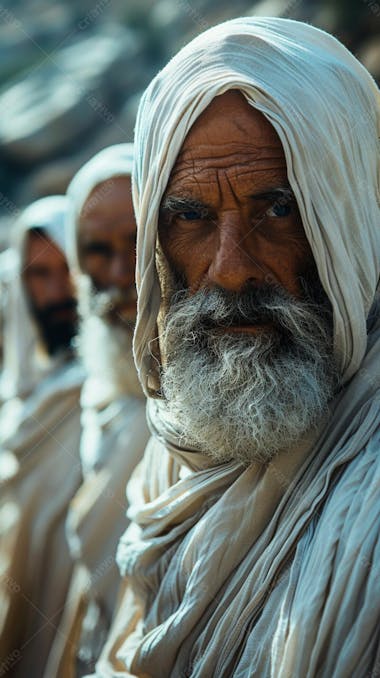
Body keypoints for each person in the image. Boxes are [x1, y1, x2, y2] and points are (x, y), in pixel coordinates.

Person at [92, 17, 380, 678]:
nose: (230, 269)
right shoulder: (171, 459)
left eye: (278, 209)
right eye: (189, 217)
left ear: (352, 219)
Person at [43, 145, 150, 678]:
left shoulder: (215, 410)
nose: (119, 273)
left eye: (136, 244)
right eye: (95, 250)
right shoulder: (99, 396)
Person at [0, 196, 83, 677]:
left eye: (67, 268)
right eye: (39, 274)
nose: (57, 292)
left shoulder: (107, 394)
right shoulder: (20, 395)